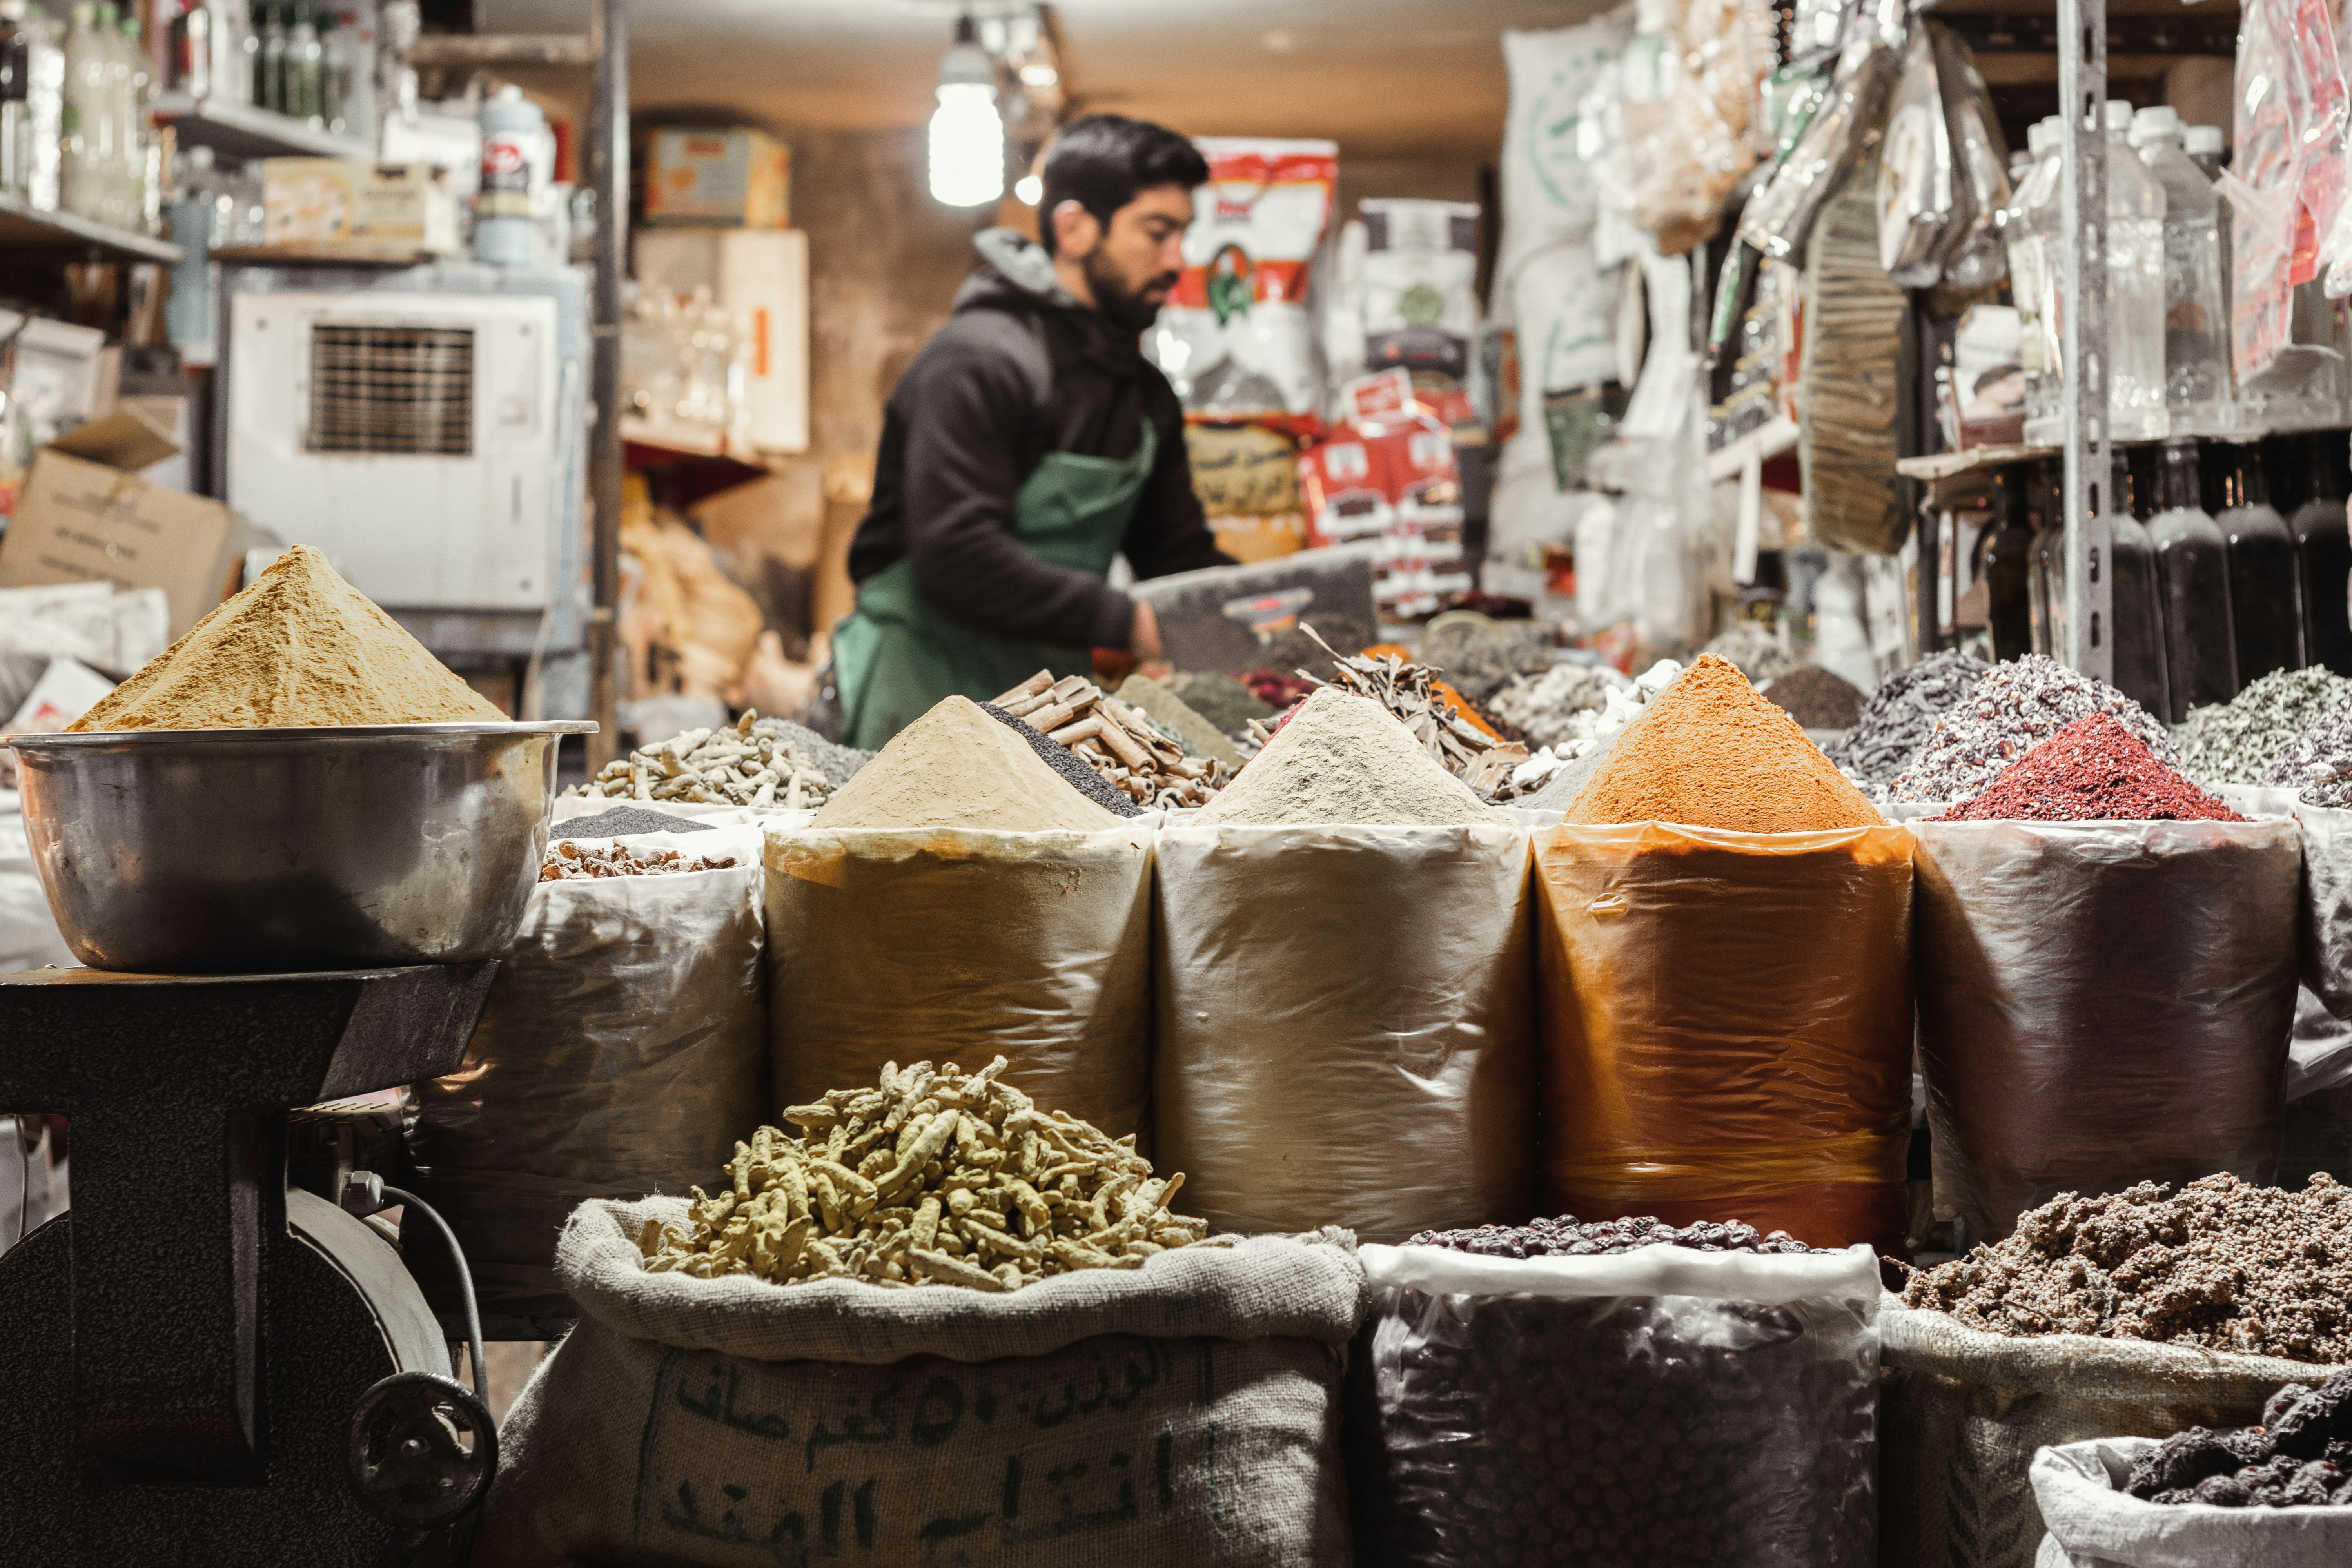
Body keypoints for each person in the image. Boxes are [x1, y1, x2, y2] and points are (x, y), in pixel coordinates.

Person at [832, 113, 1234, 748]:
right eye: (1157, 233)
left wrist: (1265, 607)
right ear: (1074, 229)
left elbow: (1175, 558)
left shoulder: (1144, 395)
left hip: (1049, 707)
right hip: (921, 691)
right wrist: (1128, 621)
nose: (1177, 259)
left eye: (1183, 234)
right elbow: (958, 557)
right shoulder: (978, 360)